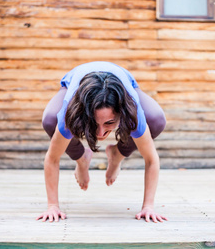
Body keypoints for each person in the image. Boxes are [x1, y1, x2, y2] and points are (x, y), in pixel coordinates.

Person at [36, 61, 168, 223]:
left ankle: (117, 154)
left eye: (109, 123)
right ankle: (81, 157)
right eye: (94, 122)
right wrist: (52, 206)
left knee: (156, 121)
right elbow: (52, 158)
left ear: (122, 114)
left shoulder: (132, 113)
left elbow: (151, 159)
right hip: (75, 79)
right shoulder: (71, 112)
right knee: (51, 121)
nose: (100, 133)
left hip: (123, 78)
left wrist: (148, 206)